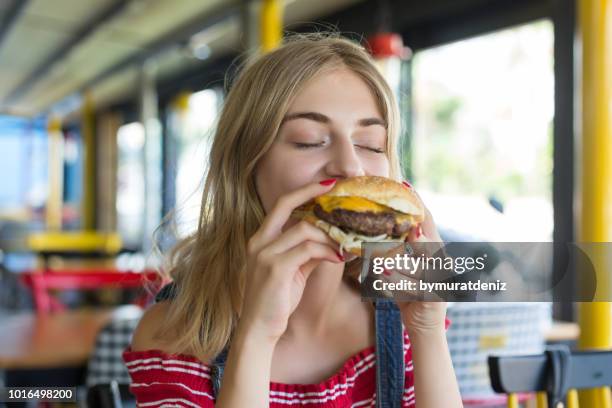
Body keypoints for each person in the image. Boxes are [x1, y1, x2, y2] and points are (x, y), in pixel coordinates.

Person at [123, 32, 462, 407]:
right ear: (246, 166)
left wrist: (427, 329)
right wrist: (256, 336)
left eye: (370, 145)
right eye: (309, 139)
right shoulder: (173, 335)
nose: (350, 166)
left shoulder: (403, 319)